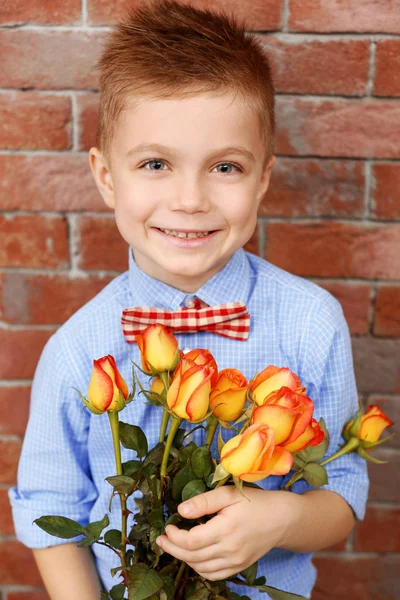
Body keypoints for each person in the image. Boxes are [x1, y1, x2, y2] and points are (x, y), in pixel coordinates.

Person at [9, 1, 369, 598]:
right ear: (106, 177)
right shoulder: (77, 349)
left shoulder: (311, 322)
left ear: (263, 179)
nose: (190, 199)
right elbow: (52, 513)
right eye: (156, 163)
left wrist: (282, 520)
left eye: (225, 167)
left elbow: (343, 490)